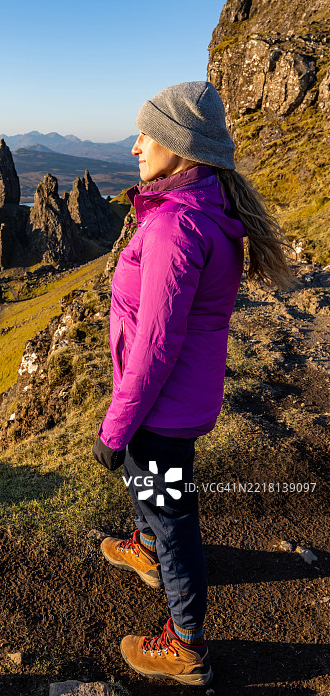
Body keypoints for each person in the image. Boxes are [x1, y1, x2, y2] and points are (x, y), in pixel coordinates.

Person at [92, 81, 292, 687]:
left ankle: (185, 644)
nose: (135, 147)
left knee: (171, 513)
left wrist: (115, 426)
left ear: (180, 146)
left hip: (160, 406)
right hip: (173, 400)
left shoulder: (175, 228)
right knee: (150, 488)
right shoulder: (202, 208)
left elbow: (155, 348)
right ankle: (145, 548)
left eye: (146, 133)